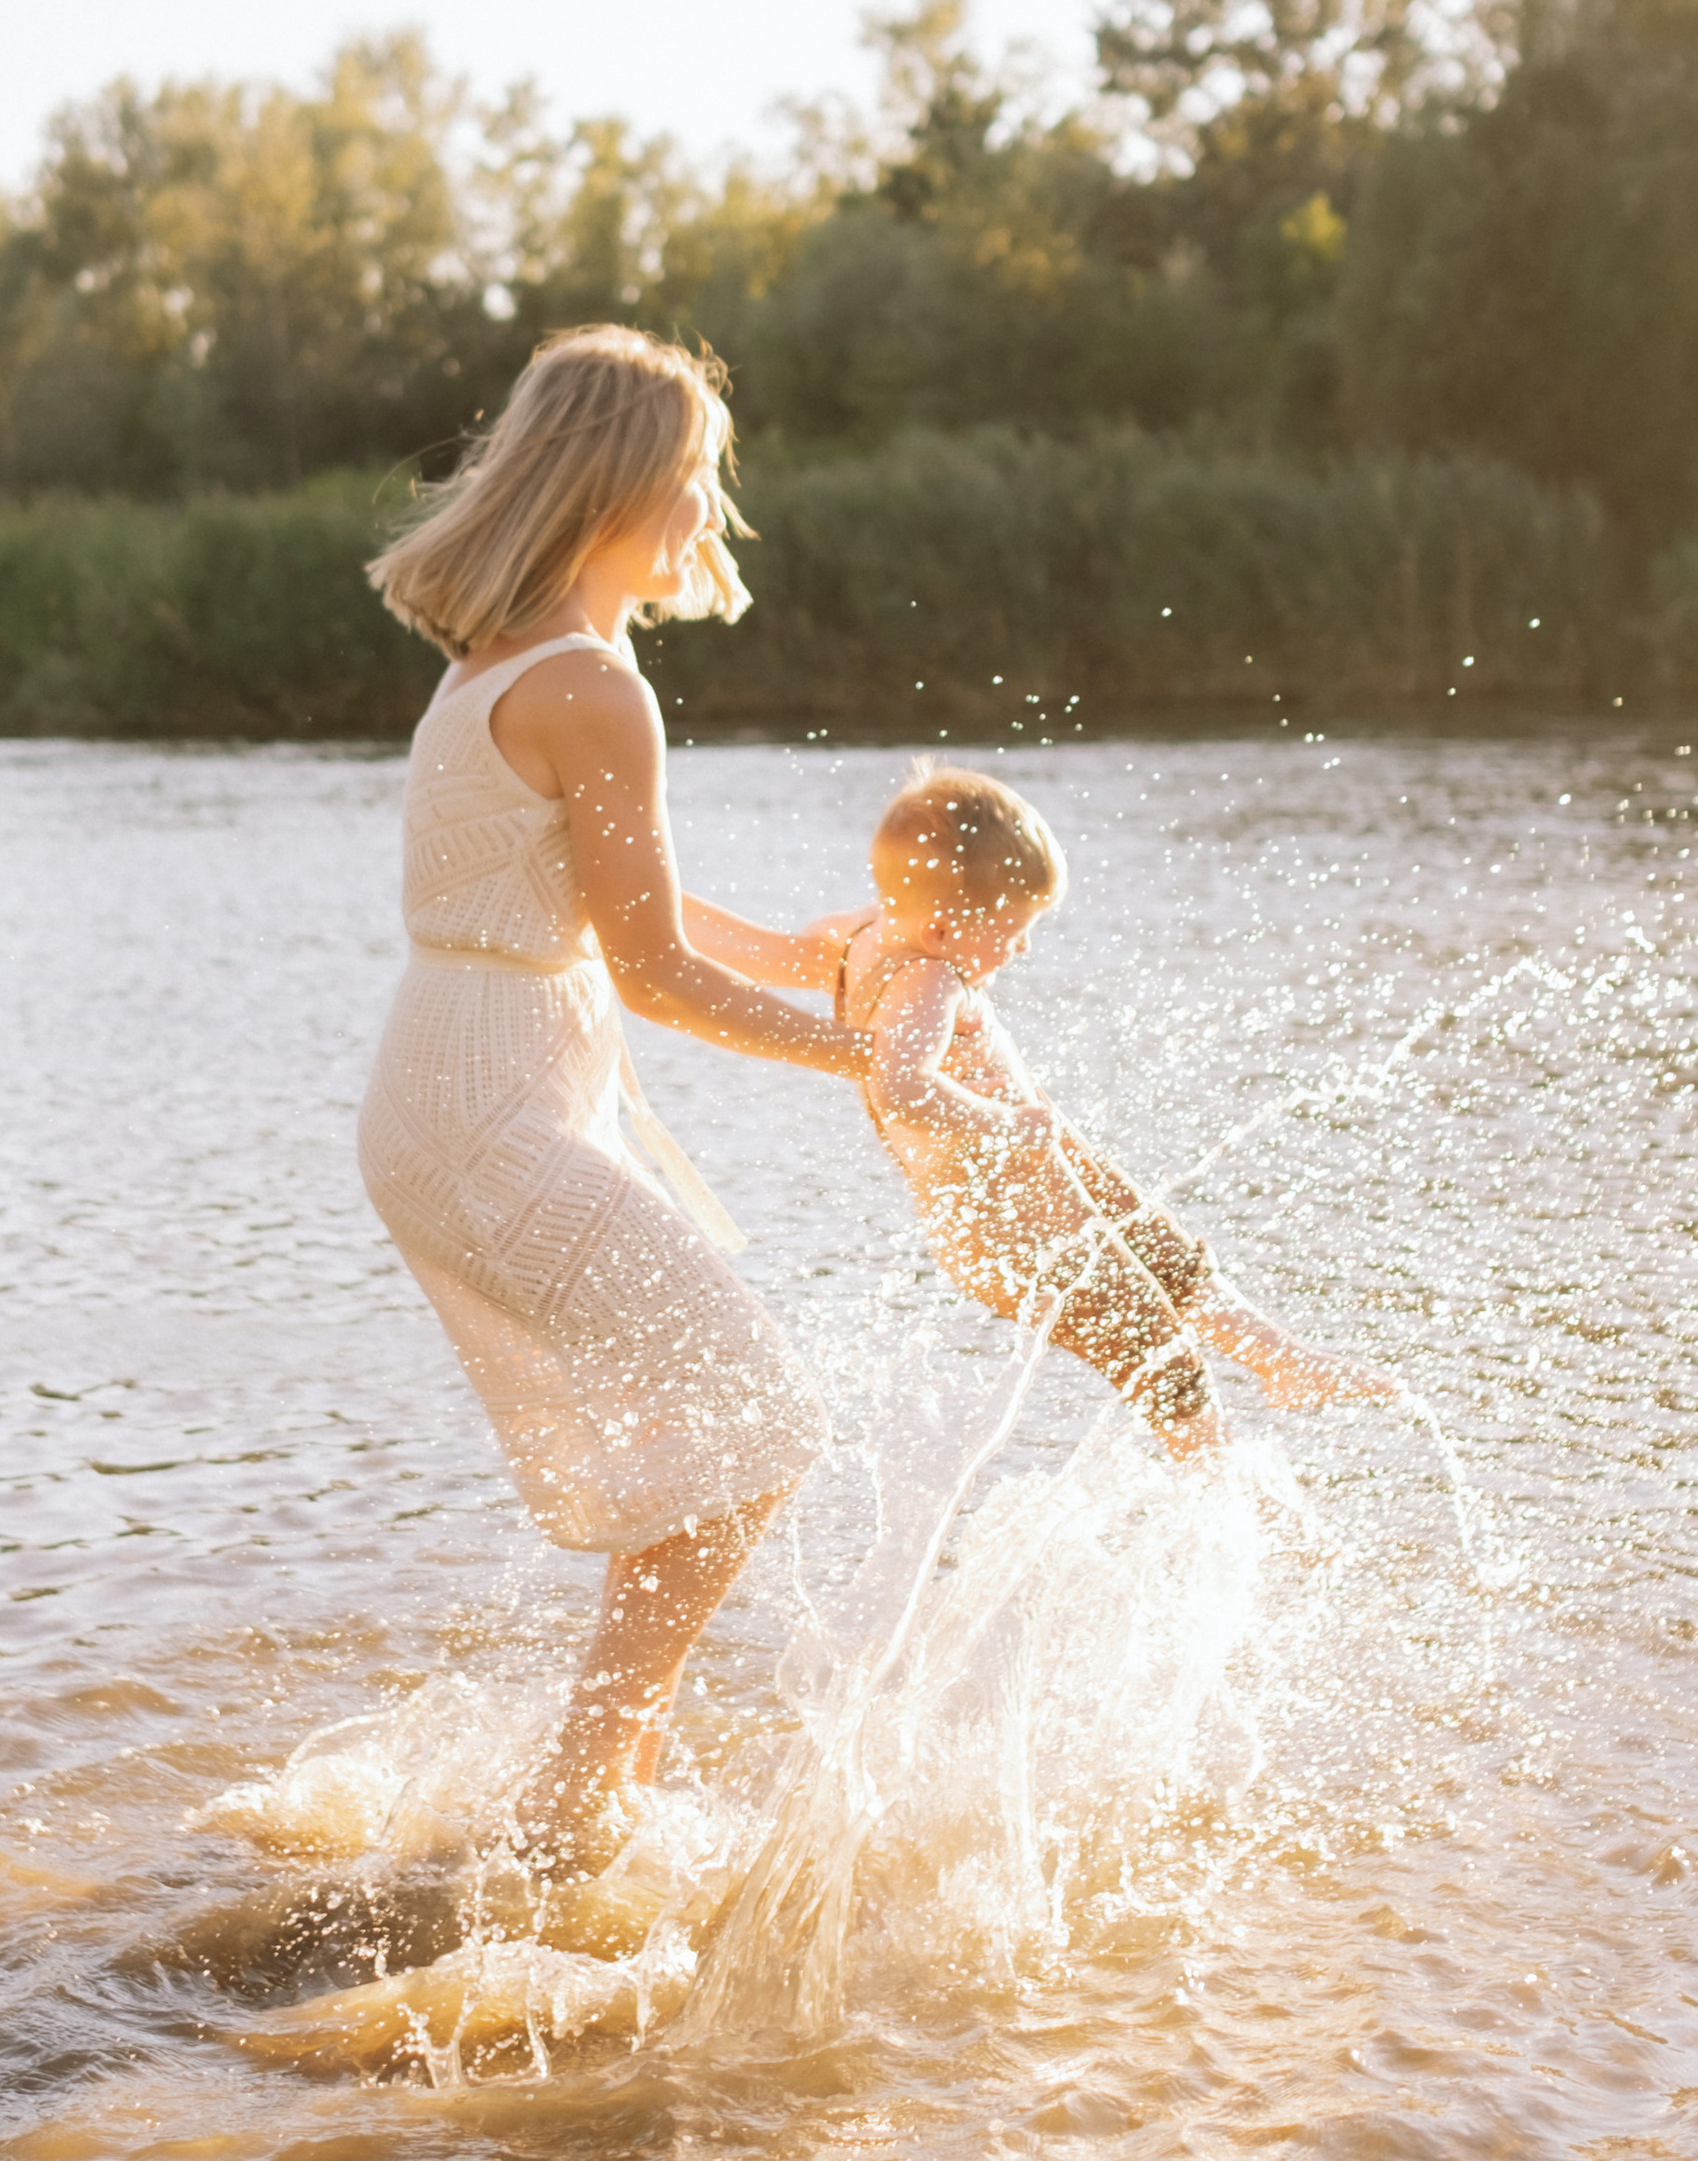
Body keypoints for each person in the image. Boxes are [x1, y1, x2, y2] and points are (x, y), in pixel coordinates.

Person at [359, 328, 866, 1869]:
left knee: (716, 1433)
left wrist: (795, 954)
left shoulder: (508, 658)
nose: (713, 514)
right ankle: (583, 1798)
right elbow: (646, 973)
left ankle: (588, 1783)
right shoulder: (587, 683)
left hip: (457, 1092)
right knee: (759, 1423)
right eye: (699, 481)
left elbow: (597, 897)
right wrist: (863, 1059)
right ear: (626, 485)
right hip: (490, 1115)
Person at [688, 760, 1397, 1460]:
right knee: (1148, 1339)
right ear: (940, 928)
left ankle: (1281, 1361)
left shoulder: (860, 936)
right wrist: (1003, 1124)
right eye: (1011, 928)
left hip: (1048, 1183)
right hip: (1005, 1223)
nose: (1023, 945)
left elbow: (757, 952)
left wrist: (630, 901)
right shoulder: (929, 980)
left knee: (1162, 1252)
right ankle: (1240, 1495)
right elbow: (902, 1085)